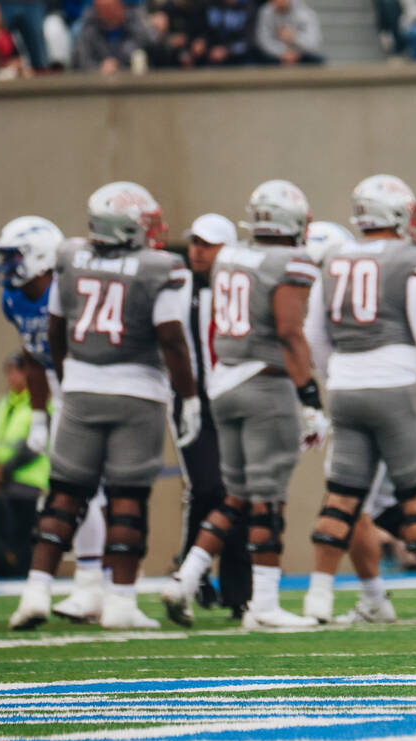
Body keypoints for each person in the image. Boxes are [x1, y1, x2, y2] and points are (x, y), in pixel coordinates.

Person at [10, 182, 201, 631]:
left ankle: (36, 590)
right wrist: (188, 396)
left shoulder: (70, 258)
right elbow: (172, 339)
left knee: (63, 494)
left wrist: (70, 375)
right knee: (127, 500)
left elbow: (54, 330)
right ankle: (120, 602)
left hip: (80, 390)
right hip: (138, 392)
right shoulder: (161, 268)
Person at [300, 174, 416, 624]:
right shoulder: (413, 256)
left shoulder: (333, 260)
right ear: (399, 213)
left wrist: (336, 375)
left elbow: (313, 336)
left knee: (342, 495)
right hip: (397, 385)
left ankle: (318, 597)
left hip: (345, 387)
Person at [162, 179, 326, 630]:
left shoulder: (230, 256)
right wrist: (309, 397)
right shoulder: (290, 261)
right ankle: (265, 604)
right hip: (263, 385)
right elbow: (290, 332)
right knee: (267, 501)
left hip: (224, 384)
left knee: (234, 495)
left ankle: (186, 576)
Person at [0, 215, 108, 624]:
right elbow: (33, 356)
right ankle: (90, 584)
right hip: (65, 388)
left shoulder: (69, 288)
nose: (6, 266)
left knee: (87, 490)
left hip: (98, 385)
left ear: (41, 257)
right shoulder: (15, 297)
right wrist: (39, 416)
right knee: (75, 490)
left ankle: (95, 584)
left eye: (14, 257)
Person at [172, 213, 252, 619]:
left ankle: (239, 593)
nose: (197, 251)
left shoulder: (242, 284)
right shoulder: (179, 285)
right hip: (192, 401)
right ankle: (192, 573)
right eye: (194, 243)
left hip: (236, 397)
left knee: (236, 492)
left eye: (207, 244)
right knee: (207, 488)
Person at [0, 355, 46, 577]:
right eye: (8, 372)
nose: (10, 377)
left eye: (15, 372)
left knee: (20, 539)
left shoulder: (39, 403)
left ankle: (21, 578)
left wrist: (4, 469)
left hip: (25, 483)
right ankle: (6, 575)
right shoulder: (3, 403)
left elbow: (34, 445)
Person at [72, 0, 160, 74]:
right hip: (99, 85)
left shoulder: (137, 22)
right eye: (104, 9)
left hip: (137, 81)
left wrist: (158, 31)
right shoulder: (88, 28)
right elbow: (81, 61)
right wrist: (99, 68)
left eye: (111, 7)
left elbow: (156, 49)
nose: (109, 12)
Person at [255, 0, 323, 64]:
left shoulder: (305, 13)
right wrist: (283, 52)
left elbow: (312, 42)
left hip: (301, 54)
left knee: (319, 61)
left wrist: (294, 37)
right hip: (276, 56)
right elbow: (264, 40)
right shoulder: (265, 12)